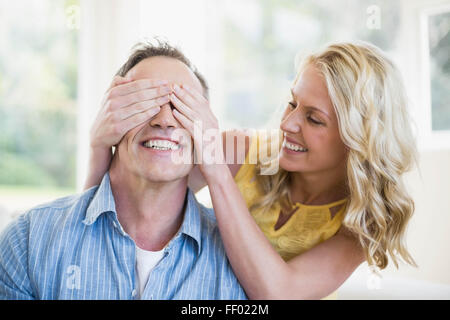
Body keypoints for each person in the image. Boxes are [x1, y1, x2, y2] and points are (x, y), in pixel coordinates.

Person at [85, 40, 418, 299]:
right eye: (292, 103)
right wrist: (100, 145)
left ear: (358, 140)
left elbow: (278, 293)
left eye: (313, 118)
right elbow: (123, 202)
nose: (287, 124)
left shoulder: (364, 222)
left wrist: (216, 172)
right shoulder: (241, 152)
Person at [0, 41, 247, 300]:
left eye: (182, 106)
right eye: (144, 101)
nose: (163, 120)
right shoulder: (28, 242)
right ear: (110, 119)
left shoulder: (242, 266)